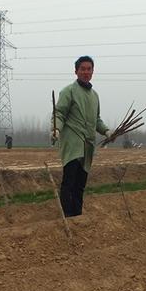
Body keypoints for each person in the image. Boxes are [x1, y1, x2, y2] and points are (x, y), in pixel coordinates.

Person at [51, 55, 112, 217]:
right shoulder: (68, 91)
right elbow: (59, 114)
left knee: (80, 185)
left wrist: (107, 131)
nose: (86, 72)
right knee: (69, 182)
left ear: (93, 72)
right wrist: (56, 129)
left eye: (89, 69)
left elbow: (96, 119)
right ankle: (67, 216)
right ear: (76, 71)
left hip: (88, 147)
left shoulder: (95, 96)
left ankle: (77, 216)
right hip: (72, 144)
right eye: (82, 69)